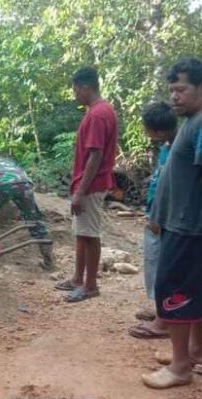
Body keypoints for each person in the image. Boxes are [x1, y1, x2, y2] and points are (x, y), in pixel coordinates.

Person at [142, 58, 202, 389]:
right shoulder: (196, 121)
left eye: (182, 89)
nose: (175, 96)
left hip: (189, 226)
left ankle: (180, 367)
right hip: (189, 223)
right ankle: (195, 350)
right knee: (191, 289)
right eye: (172, 90)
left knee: (175, 290)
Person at [55, 66, 118, 302]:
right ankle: (77, 278)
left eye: (75, 89)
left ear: (84, 87)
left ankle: (90, 285)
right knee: (81, 233)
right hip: (89, 183)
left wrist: (80, 191)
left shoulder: (97, 115)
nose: (74, 95)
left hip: (91, 184)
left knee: (90, 234)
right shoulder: (102, 110)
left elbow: (95, 155)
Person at [127, 101, 177, 340]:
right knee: (154, 262)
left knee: (161, 266)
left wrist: (157, 216)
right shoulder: (168, 147)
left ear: (157, 130)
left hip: (164, 218)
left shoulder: (176, 150)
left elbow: (168, 188)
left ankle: (165, 320)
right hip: (158, 214)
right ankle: (161, 310)